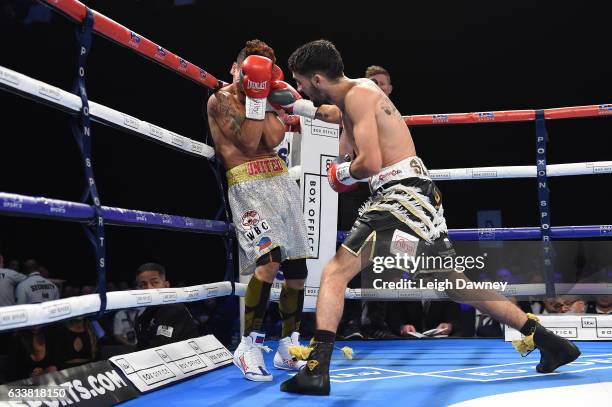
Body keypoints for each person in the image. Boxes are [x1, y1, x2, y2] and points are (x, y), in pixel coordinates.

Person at [279, 39, 581, 395]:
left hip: (398, 199)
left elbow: (369, 164)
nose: (299, 88)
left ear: (316, 77)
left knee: (334, 273)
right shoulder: (352, 99)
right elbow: (340, 134)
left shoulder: (359, 96)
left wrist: (340, 174)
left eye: (300, 82)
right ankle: (551, 342)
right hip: (417, 201)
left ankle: (315, 370)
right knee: (455, 284)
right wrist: (295, 106)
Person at [206, 39, 311, 381]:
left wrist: (261, 95)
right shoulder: (219, 99)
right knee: (269, 262)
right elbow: (250, 143)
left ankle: (288, 348)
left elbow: (276, 137)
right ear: (236, 67)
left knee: (297, 270)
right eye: (252, 70)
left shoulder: (266, 97)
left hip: (281, 183)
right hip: (247, 185)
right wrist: (255, 96)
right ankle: (248, 346)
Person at [134, 263, 199, 350]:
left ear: (166, 286)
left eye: (155, 282)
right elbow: (141, 346)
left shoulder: (173, 308)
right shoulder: (144, 315)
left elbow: (160, 349)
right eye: (143, 285)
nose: (149, 289)